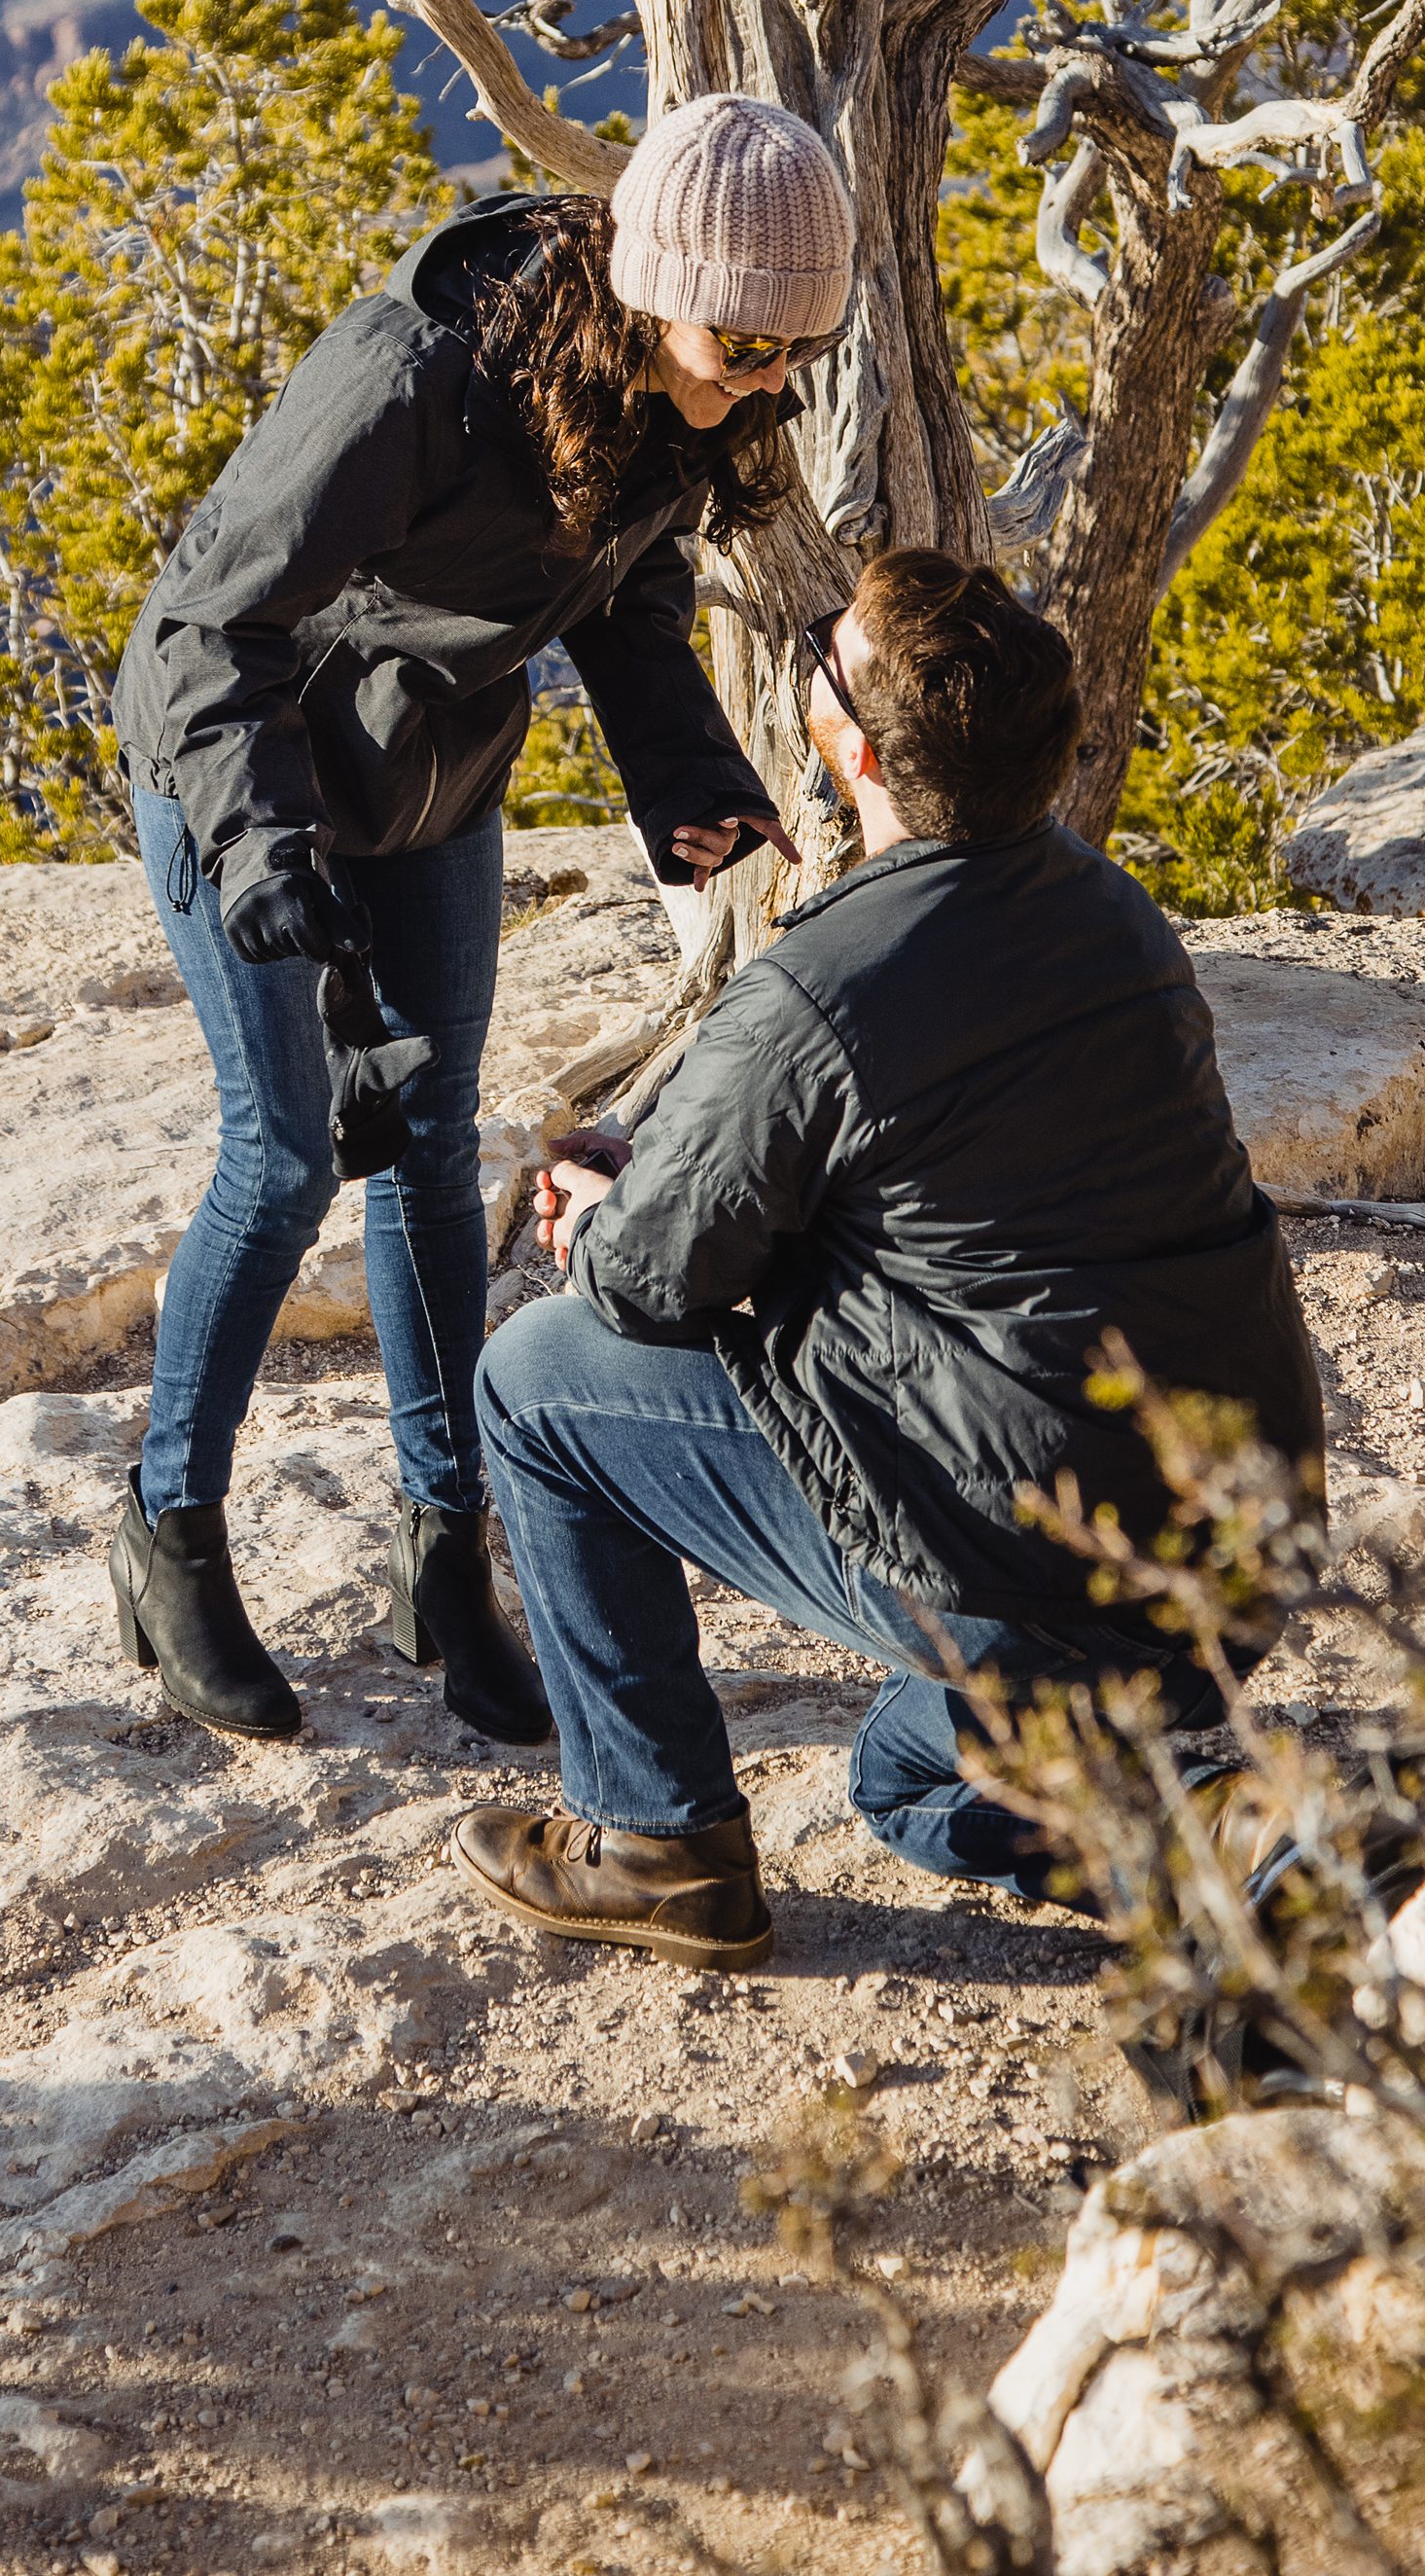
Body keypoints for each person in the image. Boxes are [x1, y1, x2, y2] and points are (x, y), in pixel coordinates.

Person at [451, 546, 1326, 1969]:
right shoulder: (1113, 919)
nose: (808, 656)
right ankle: (1239, 1830)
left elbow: (640, 1288)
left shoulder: (814, 989)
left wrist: (607, 1215)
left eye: (820, 649)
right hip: (1225, 1548)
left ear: (843, 743)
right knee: (912, 1776)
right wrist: (673, 1182)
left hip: (1027, 1575)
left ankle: (656, 1843)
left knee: (537, 1378)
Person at [107, 91, 856, 1751]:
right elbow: (206, 625)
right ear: (656, 282)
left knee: (434, 1146)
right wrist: (258, 849)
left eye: (799, 348)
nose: (770, 380)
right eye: (745, 340)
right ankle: (167, 1529)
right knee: (285, 1156)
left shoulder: (698, 403)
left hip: (431, 772)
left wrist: (683, 774)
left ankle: (447, 1561)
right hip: (247, 762)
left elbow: (630, 590)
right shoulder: (413, 377)